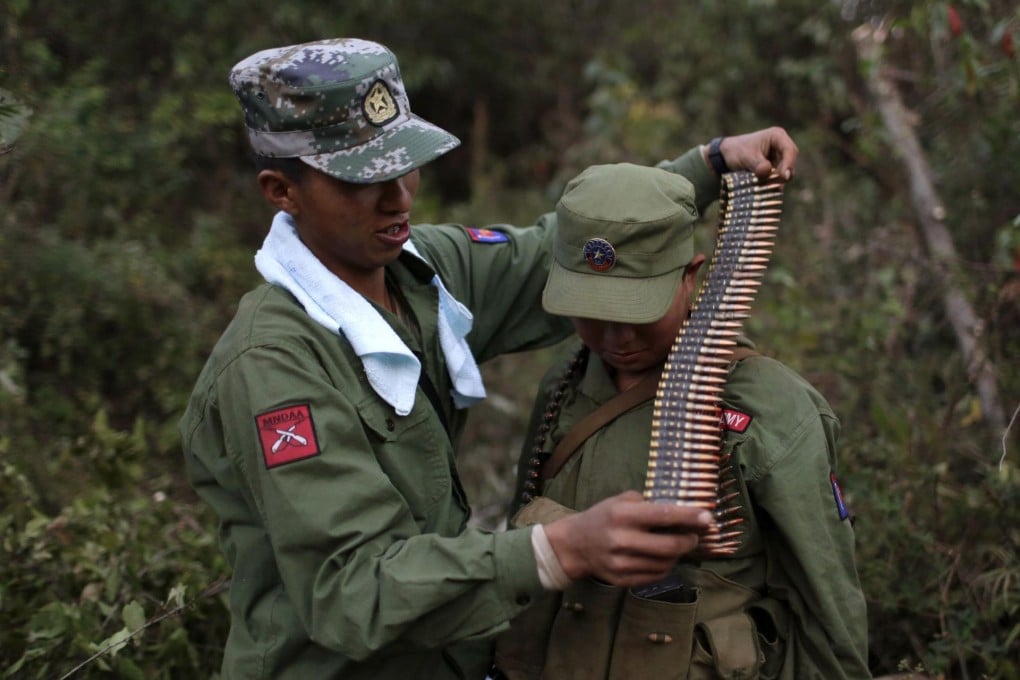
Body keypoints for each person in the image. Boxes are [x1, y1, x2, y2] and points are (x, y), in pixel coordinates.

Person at [178, 36, 801, 679]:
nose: (399, 199)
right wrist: (554, 550)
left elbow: (559, 252)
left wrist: (709, 162)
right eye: (362, 180)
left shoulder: (418, 271)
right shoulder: (274, 367)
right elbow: (351, 592)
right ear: (282, 190)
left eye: (405, 165)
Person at [492, 163, 870, 679]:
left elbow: (826, 604)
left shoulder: (769, 405)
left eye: (636, 310)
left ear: (690, 277)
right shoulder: (566, 381)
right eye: (592, 311)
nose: (615, 338)